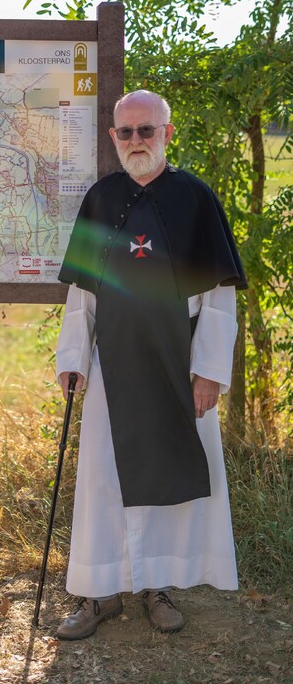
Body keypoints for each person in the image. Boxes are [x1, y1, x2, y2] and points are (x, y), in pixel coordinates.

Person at [54, 90, 247, 640]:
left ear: (166, 133)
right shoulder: (100, 198)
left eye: (146, 130)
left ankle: (157, 586)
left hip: (178, 362)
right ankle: (98, 593)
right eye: (125, 132)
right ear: (113, 137)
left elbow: (218, 297)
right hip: (111, 365)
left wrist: (209, 371)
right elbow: (81, 297)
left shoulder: (196, 199)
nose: (135, 141)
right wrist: (73, 359)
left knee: (172, 475)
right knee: (103, 478)